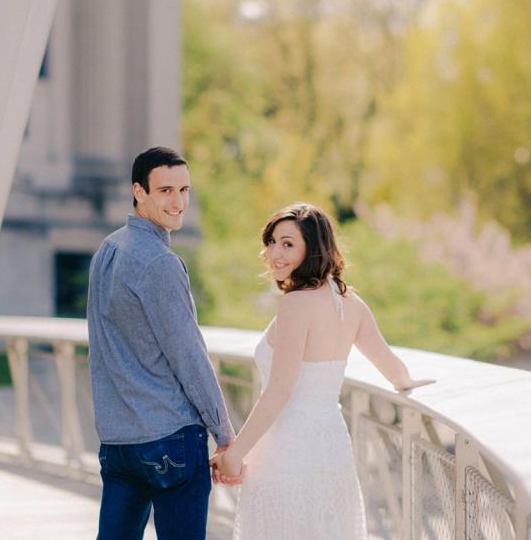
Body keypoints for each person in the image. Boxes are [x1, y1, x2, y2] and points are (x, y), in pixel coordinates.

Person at [210, 202, 434, 539]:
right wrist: (410, 383)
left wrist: (235, 454)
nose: (274, 254)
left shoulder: (295, 304)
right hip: (331, 449)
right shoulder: (351, 303)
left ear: (312, 249)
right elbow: (395, 371)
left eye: (288, 244)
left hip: (286, 450)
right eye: (271, 242)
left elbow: (280, 391)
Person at [87, 146, 236, 540]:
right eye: (166, 190)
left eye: (184, 190)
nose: (179, 202)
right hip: (169, 439)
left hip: (119, 442)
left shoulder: (108, 249)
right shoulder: (160, 263)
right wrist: (224, 434)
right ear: (139, 191)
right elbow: (189, 356)